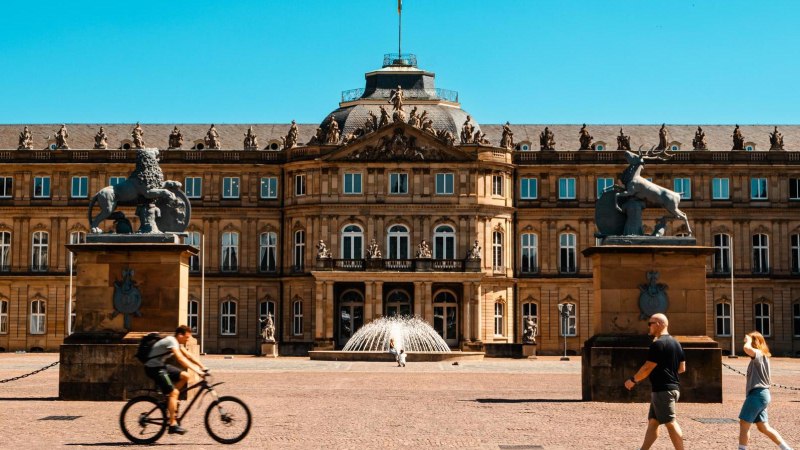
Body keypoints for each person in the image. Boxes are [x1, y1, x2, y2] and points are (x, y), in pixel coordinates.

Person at [624, 313, 686, 450]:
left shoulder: (658, 344)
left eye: (650, 323)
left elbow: (647, 367)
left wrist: (633, 380)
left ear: (659, 324)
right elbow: (682, 368)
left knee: (670, 422)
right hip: (672, 388)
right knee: (653, 422)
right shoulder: (676, 343)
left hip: (663, 390)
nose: (648, 326)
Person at [143, 325, 208, 435]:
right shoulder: (171, 341)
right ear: (180, 335)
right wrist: (197, 371)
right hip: (153, 368)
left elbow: (188, 355)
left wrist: (202, 366)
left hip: (161, 365)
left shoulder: (177, 343)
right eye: (187, 337)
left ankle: (171, 399)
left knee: (185, 376)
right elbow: (180, 358)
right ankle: (173, 425)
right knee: (174, 392)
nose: (188, 340)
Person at [737, 331, 793, 450]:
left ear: (755, 342)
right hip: (762, 395)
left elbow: (746, 349)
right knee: (763, 427)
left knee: (744, 424)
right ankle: (787, 449)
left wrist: (748, 341)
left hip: (757, 394)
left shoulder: (758, 353)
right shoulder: (762, 355)